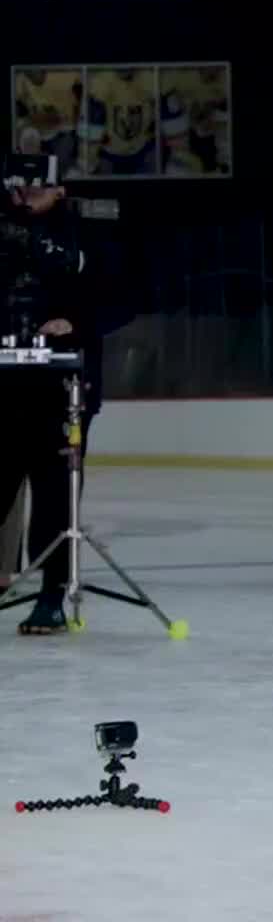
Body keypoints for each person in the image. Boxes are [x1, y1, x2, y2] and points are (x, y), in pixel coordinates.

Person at [0, 183, 97, 635]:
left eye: (36, 183)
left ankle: (52, 595)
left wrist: (75, 321)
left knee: (55, 497)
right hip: (5, 383)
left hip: (59, 387)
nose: (25, 191)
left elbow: (121, 292)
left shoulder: (85, 230)